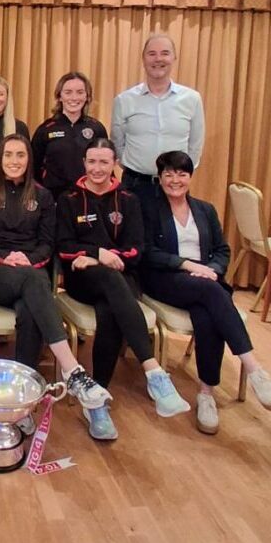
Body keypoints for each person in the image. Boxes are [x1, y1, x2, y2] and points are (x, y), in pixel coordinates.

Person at [56, 138, 190, 440]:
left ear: (114, 164)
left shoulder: (129, 199)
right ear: (84, 163)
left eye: (104, 162)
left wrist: (104, 257)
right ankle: (154, 371)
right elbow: (63, 246)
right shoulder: (68, 199)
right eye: (92, 161)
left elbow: (136, 249)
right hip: (82, 279)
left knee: (110, 309)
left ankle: (96, 404)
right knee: (110, 283)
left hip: (122, 275)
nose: (97, 168)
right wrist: (97, 254)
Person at [0, 134, 111, 416]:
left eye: (20, 155)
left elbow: (48, 244)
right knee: (35, 281)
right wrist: (6, 257)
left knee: (30, 308)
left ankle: (22, 401)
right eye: (8, 155)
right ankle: (72, 370)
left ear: (29, 159)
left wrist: (29, 259)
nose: (14, 161)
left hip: (30, 271)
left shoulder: (43, 196)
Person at [140, 150, 271, 434]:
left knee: (207, 314)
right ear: (160, 178)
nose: (175, 180)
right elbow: (147, 252)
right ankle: (254, 369)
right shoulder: (149, 209)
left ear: (190, 177)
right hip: (165, 278)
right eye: (168, 174)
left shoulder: (205, 210)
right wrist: (188, 265)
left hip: (204, 281)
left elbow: (223, 250)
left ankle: (206, 394)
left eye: (181, 174)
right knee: (213, 292)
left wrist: (211, 268)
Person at [111, 33, 205, 207]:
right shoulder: (124, 100)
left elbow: (195, 144)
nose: (158, 59)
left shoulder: (192, 99)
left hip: (175, 187)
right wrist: (134, 167)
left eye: (165, 53)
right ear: (143, 59)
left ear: (174, 57)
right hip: (135, 185)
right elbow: (117, 142)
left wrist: (179, 175)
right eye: (152, 53)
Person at [31, 72, 107, 199]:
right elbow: (34, 168)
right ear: (59, 96)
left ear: (87, 97)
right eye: (68, 92)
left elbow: (106, 165)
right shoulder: (45, 130)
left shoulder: (97, 128)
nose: (74, 97)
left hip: (88, 198)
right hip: (54, 199)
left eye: (80, 92)